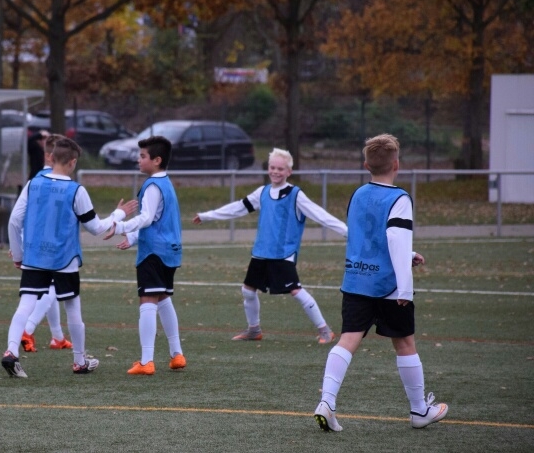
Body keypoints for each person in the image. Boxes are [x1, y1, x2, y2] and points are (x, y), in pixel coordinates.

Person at [313, 134, 448, 432]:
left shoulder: (357, 194)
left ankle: (327, 402)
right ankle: (419, 410)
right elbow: (395, 239)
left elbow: (369, 236)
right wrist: (405, 286)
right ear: (397, 165)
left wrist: (408, 254)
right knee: (405, 343)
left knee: (347, 341)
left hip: (356, 280)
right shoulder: (400, 198)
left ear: (366, 165)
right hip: (388, 285)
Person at [3, 137, 137, 377]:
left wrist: (18, 253)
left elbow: (14, 220)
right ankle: (79, 361)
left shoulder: (33, 184)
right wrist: (118, 214)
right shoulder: (76, 190)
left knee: (25, 304)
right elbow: (95, 228)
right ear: (73, 162)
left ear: (51, 157)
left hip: (35, 256)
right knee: (73, 307)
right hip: (64, 258)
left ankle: (11, 352)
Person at [192, 148, 346, 344]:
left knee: (295, 290)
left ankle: (325, 330)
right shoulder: (262, 192)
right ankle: (254, 330)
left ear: (289, 171)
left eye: (280, 169)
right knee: (248, 290)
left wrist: (347, 232)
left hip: (283, 254)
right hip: (261, 252)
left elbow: (320, 215)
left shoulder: (295, 195)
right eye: (272, 167)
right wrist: (207, 216)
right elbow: (238, 207)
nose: (275, 172)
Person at [104, 135, 186, 376]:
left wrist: (120, 226)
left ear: (157, 160)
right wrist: (133, 238)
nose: (138, 160)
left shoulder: (152, 185)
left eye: (142, 156)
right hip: (169, 251)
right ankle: (177, 354)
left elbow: (147, 218)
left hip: (154, 253)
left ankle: (146, 361)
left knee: (148, 301)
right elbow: (159, 221)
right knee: (163, 299)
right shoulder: (166, 183)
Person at [20, 134, 74, 353]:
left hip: (33, 244)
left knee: (50, 288)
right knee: (53, 288)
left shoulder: (36, 179)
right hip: (49, 246)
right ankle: (28, 328)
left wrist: (19, 242)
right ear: (52, 156)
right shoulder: (51, 181)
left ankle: (57, 337)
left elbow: (22, 215)